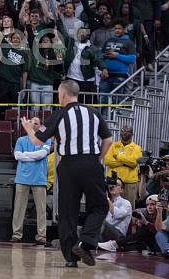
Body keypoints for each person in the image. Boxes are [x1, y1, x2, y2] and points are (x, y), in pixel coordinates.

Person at [21, 80, 113, 267]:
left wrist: (29, 129)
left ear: (62, 94)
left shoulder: (60, 114)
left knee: (67, 212)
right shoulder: (94, 113)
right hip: (91, 163)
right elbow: (109, 140)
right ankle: (85, 242)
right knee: (100, 206)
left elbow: (37, 141)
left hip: (69, 166)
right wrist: (98, 159)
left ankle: (71, 259)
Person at [11, 116, 51, 245]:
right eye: (31, 122)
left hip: (39, 179)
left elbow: (42, 154)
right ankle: (16, 235)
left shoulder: (46, 139)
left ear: (40, 126)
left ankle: (41, 236)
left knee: (41, 210)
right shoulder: (21, 140)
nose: (33, 124)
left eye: (36, 122)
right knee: (18, 208)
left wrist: (25, 155)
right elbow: (17, 156)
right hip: (22, 178)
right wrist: (33, 156)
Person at [104, 125, 142, 207]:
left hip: (129, 183)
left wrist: (118, 156)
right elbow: (107, 161)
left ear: (132, 134)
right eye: (122, 131)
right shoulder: (113, 145)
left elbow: (133, 162)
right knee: (110, 206)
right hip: (113, 181)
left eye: (127, 131)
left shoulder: (136, 148)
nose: (124, 133)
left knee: (128, 207)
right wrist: (125, 162)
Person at [96, 177, 133, 251]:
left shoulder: (126, 203)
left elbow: (117, 214)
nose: (113, 186)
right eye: (111, 184)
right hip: (103, 231)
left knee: (101, 222)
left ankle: (95, 244)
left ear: (122, 190)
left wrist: (106, 198)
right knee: (79, 228)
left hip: (118, 235)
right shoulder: (104, 202)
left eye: (117, 185)